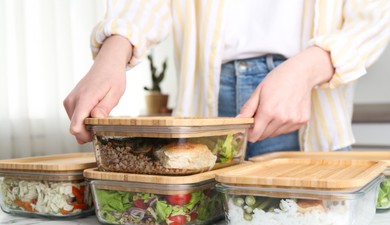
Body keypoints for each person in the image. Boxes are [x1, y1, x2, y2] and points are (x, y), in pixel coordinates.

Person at [64, 0, 390, 159]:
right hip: (205, 105)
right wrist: (115, 48)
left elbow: (374, 18)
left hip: (307, 106)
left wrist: (308, 67)